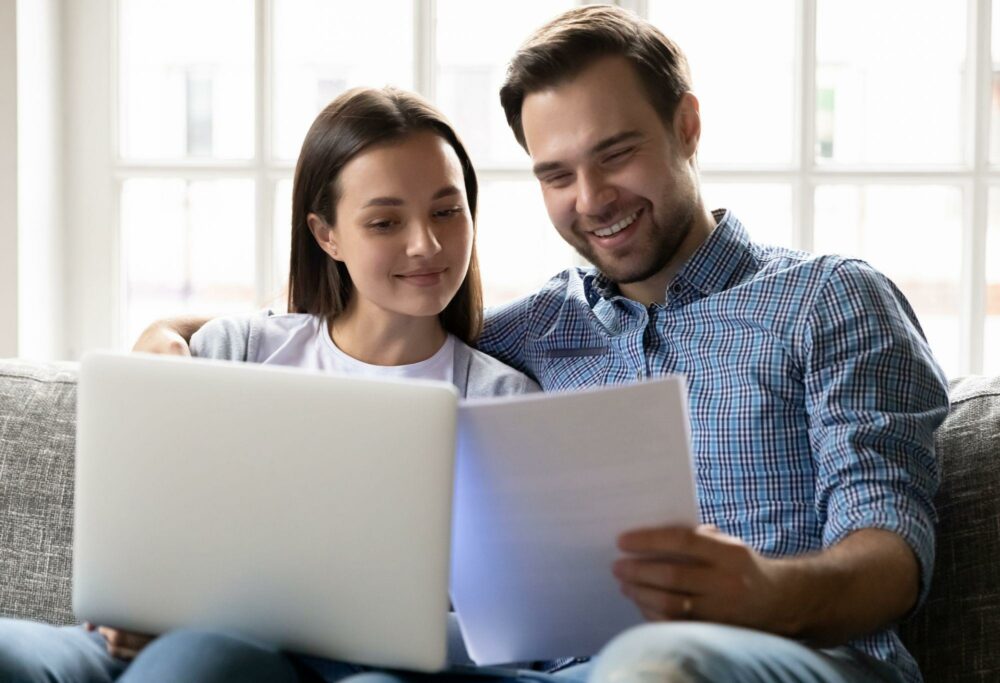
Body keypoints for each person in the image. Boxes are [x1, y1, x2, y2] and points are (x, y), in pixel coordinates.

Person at [47, 6, 950, 683]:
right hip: (558, 668)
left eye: (617, 152)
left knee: (651, 661)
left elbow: (892, 554)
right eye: (556, 172)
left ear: (687, 126)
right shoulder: (530, 337)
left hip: (796, 655)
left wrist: (765, 590)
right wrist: (166, 336)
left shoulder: (829, 301)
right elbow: (330, 330)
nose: (591, 196)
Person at [0, 87, 585, 682]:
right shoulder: (239, 352)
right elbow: (144, 535)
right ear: (326, 234)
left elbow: (519, 642)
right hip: (142, 644)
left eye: (446, 210)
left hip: (311, 664)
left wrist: (316, 629)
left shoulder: (500, 402)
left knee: (198, 664)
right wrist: (134, 602)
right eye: (385, 221)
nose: (425, 244)